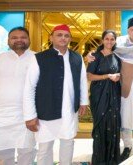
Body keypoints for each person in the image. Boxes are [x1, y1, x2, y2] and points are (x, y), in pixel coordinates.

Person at [87, 17, 133, 161]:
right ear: (128, 31)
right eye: (132, 30)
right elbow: (104, 52)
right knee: (126, 119)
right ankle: (128, 145)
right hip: (124, 89)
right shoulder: (119, 47)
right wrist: (90, 54)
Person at [23, 24, 88, 165]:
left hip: (70, 110)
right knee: (45, 147)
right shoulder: (39, 58)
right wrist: (30, 116)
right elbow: (29, 87)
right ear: (51, 37)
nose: (63, 38)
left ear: (70, 38)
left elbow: (82, 81)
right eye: (59, 35)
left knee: (68, 143)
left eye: (66, 35)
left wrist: (83, 101)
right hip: (46, 109)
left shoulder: (77, 58)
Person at [0, 27, 36, 165]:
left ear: (29, 40)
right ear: (8, 41)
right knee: (0, 154)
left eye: (23, 37)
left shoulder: (38, 59)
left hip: (28, 115)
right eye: (14, 37)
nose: (19, 40)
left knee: (27, 152)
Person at [87, 30, 122, 165]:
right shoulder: (95, 56)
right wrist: (107, 76)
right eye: (106, 39)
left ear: (115, 41)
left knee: (113, 125)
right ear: (102, 40)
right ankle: (100, 161)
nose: (109, 41)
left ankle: (112, 161)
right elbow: (89, 76)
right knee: (101, 126)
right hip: (99, 95)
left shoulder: (117, 56)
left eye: (112, 39)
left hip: (114, 94)